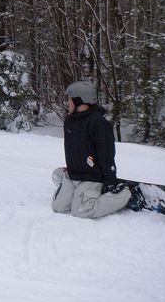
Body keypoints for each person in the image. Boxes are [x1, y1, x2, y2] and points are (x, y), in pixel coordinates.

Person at [51, 81, 141, 218]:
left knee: (80, 211)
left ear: (79, 100)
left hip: (91, 177)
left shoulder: (99, 124)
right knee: (58, 207)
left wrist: (110, 179)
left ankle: (127, 193)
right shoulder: (69, 121)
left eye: (69, 99)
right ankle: (66, 184)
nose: (67, 103)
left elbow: (107, 154)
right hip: (73, 174)